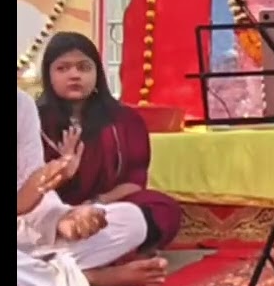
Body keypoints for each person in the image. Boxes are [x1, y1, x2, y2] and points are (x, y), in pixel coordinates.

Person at [38, 32, 183, 252]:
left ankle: (78, 254)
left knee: (162, 208)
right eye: (63, 68)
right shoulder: (32, 120)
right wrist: (62, 174)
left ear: (98, 74)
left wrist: (96, 202)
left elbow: (135, 181)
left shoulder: (125, 120)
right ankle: (106, 255)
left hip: (106, 208)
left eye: (84, 67)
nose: (74, 75)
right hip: (50, 213)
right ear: (48, 75)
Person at [18, 89, 167, 286]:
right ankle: (90, 279)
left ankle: (42, 273)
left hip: (25, 237)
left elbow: (32, 192)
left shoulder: (21, 105)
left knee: (130, 220)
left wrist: (62, 219)